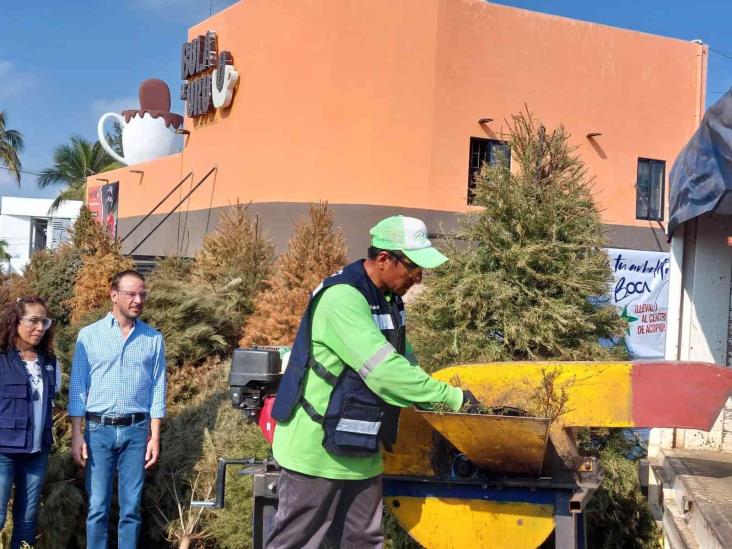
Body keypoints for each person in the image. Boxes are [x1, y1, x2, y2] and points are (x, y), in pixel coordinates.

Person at [267, 215, 477, 549]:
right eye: (413, 267)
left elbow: (404, 359)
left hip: (360, 446)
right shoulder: (343, 299)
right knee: (300, 543)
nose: (419, 277)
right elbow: (383, 372)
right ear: (383, 260)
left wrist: (433, 397)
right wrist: (453, 399)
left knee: (364, 541)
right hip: (316, 449)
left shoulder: (389, 301)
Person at [68, 270, 167, 549]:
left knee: (131, 509)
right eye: (131, 294)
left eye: (142, 295)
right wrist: (77, 434)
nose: (138, 300)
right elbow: (78, 387)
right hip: (98, 432)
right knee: (97, 507)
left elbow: (158, 390)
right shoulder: (89, 336)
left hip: (137, 433)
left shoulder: (153, 339)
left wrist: (155, 436)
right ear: (114, 295)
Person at [0, 295, 59, 549]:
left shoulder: (49, 361)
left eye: (44, 322)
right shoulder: (2, 359)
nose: (39, 328)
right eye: (33, 321)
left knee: (27, 520)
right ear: (16, 321)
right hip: (3, 453)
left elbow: (51, 402)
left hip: (37, 453)